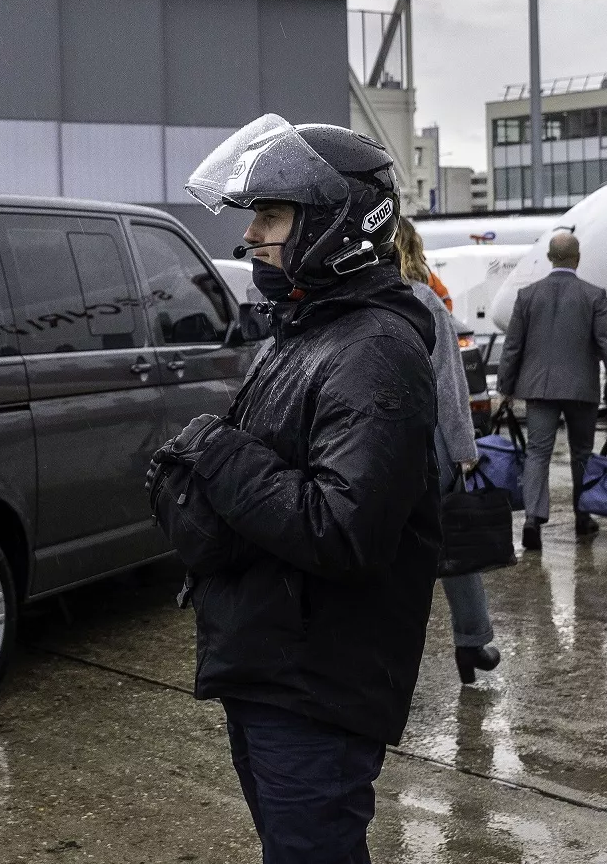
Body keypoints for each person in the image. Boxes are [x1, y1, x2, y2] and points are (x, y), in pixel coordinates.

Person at [155, 115, 440, 864]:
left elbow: (342, 529)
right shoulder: (309, 330)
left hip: (315, 680)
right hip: (272, 663)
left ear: (335, 220)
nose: (252, 235)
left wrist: (214, 452)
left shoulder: (374, 348)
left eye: (271, 214)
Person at [394, 217, 502, 685]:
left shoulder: (349, 300)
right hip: (425, 445)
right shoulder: (423, 300)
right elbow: (448, 383)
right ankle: (472, 642)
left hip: (367, 445)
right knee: (453, 544)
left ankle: (391, 656)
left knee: (388, 554)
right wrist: (463, 447)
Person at [497, 232, 607, 551]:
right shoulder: (593, 295)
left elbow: (512, 346)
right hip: (581, 388)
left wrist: (504, 388)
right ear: (578, 257)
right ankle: (582, 517)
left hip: (538, 388)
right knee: (581, 453)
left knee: (538, 453)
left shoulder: (527, 295)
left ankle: (532, 519)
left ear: (548, 257)